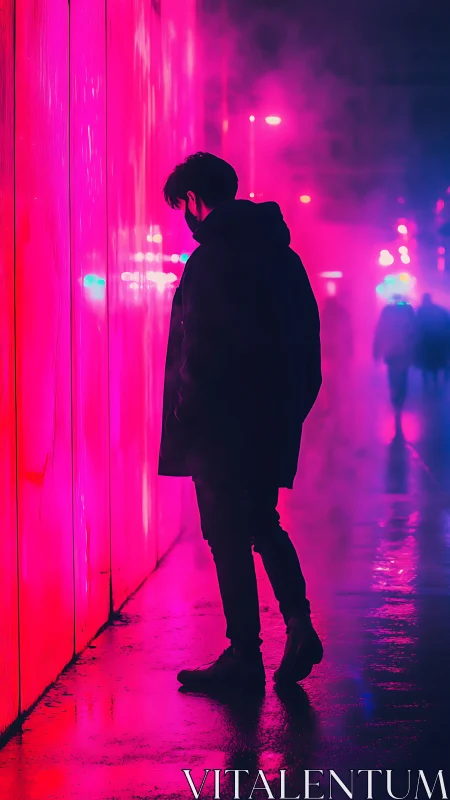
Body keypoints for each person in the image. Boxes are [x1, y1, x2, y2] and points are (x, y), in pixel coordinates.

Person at [159, 152, 323, 690]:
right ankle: (298, 624)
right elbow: (309, 350)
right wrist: (287, 413)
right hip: (271, 422)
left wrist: (188, 411)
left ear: (192, 200)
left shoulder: (211, 261)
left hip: (220, 428)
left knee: (226, 534)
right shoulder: (284, 256)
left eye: (181, 205)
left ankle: (244, 657)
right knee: (261, 522)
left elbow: (200, 349)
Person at [373, 295, 416, 425]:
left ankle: (395, 399)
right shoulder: (408, 312)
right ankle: (400, 400)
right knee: (403, 376)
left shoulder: (386, 313)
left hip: (391, 353)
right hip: (404, 352)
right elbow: (414, 333)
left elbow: (380, 332)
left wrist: (377, 352)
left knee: (392, 376)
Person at [415, 293, 450, 388]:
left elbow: (417, 325)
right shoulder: (440, 310)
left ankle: (426, 377)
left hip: (427, 339)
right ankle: (441, 373)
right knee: (440, 357)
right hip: (439, 338)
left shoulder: (421, 310)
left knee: (425, 358)